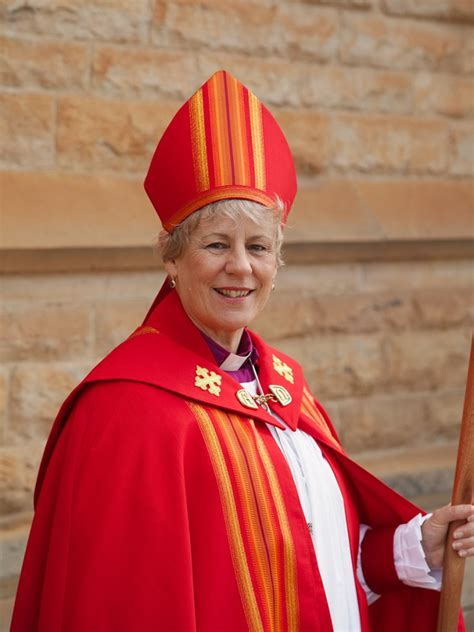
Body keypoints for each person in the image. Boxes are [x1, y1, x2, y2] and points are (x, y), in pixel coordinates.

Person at [11, 70, 473, 632]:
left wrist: (407, 548)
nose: (240, 267)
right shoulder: (126, 414)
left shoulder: (287, 396)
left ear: (276, 266)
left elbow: (316, 569)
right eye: (215, 244)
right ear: (172, 261)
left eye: (258, 247)